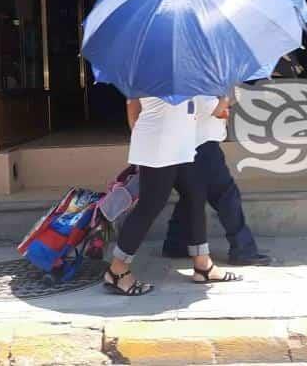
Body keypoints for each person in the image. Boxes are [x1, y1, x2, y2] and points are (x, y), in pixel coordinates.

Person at [104, 97, 242, 296]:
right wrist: (224, 99)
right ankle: (117, 271)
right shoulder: (174, 71)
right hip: (162, 145)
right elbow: (211, 109)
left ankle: (203, 265)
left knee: (195, 195)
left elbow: (133, 107)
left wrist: (143, 134)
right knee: (150, 206)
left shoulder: (153, 70)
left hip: (179, 142)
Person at [161, 96, 271, 265]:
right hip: (203, 145)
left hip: (181, 145)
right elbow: (217, 110)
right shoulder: (200, 81)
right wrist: (228, 96)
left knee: (191, 195)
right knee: (226, 195)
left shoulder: (177, 81)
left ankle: (176, 244)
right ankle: (243, 249)